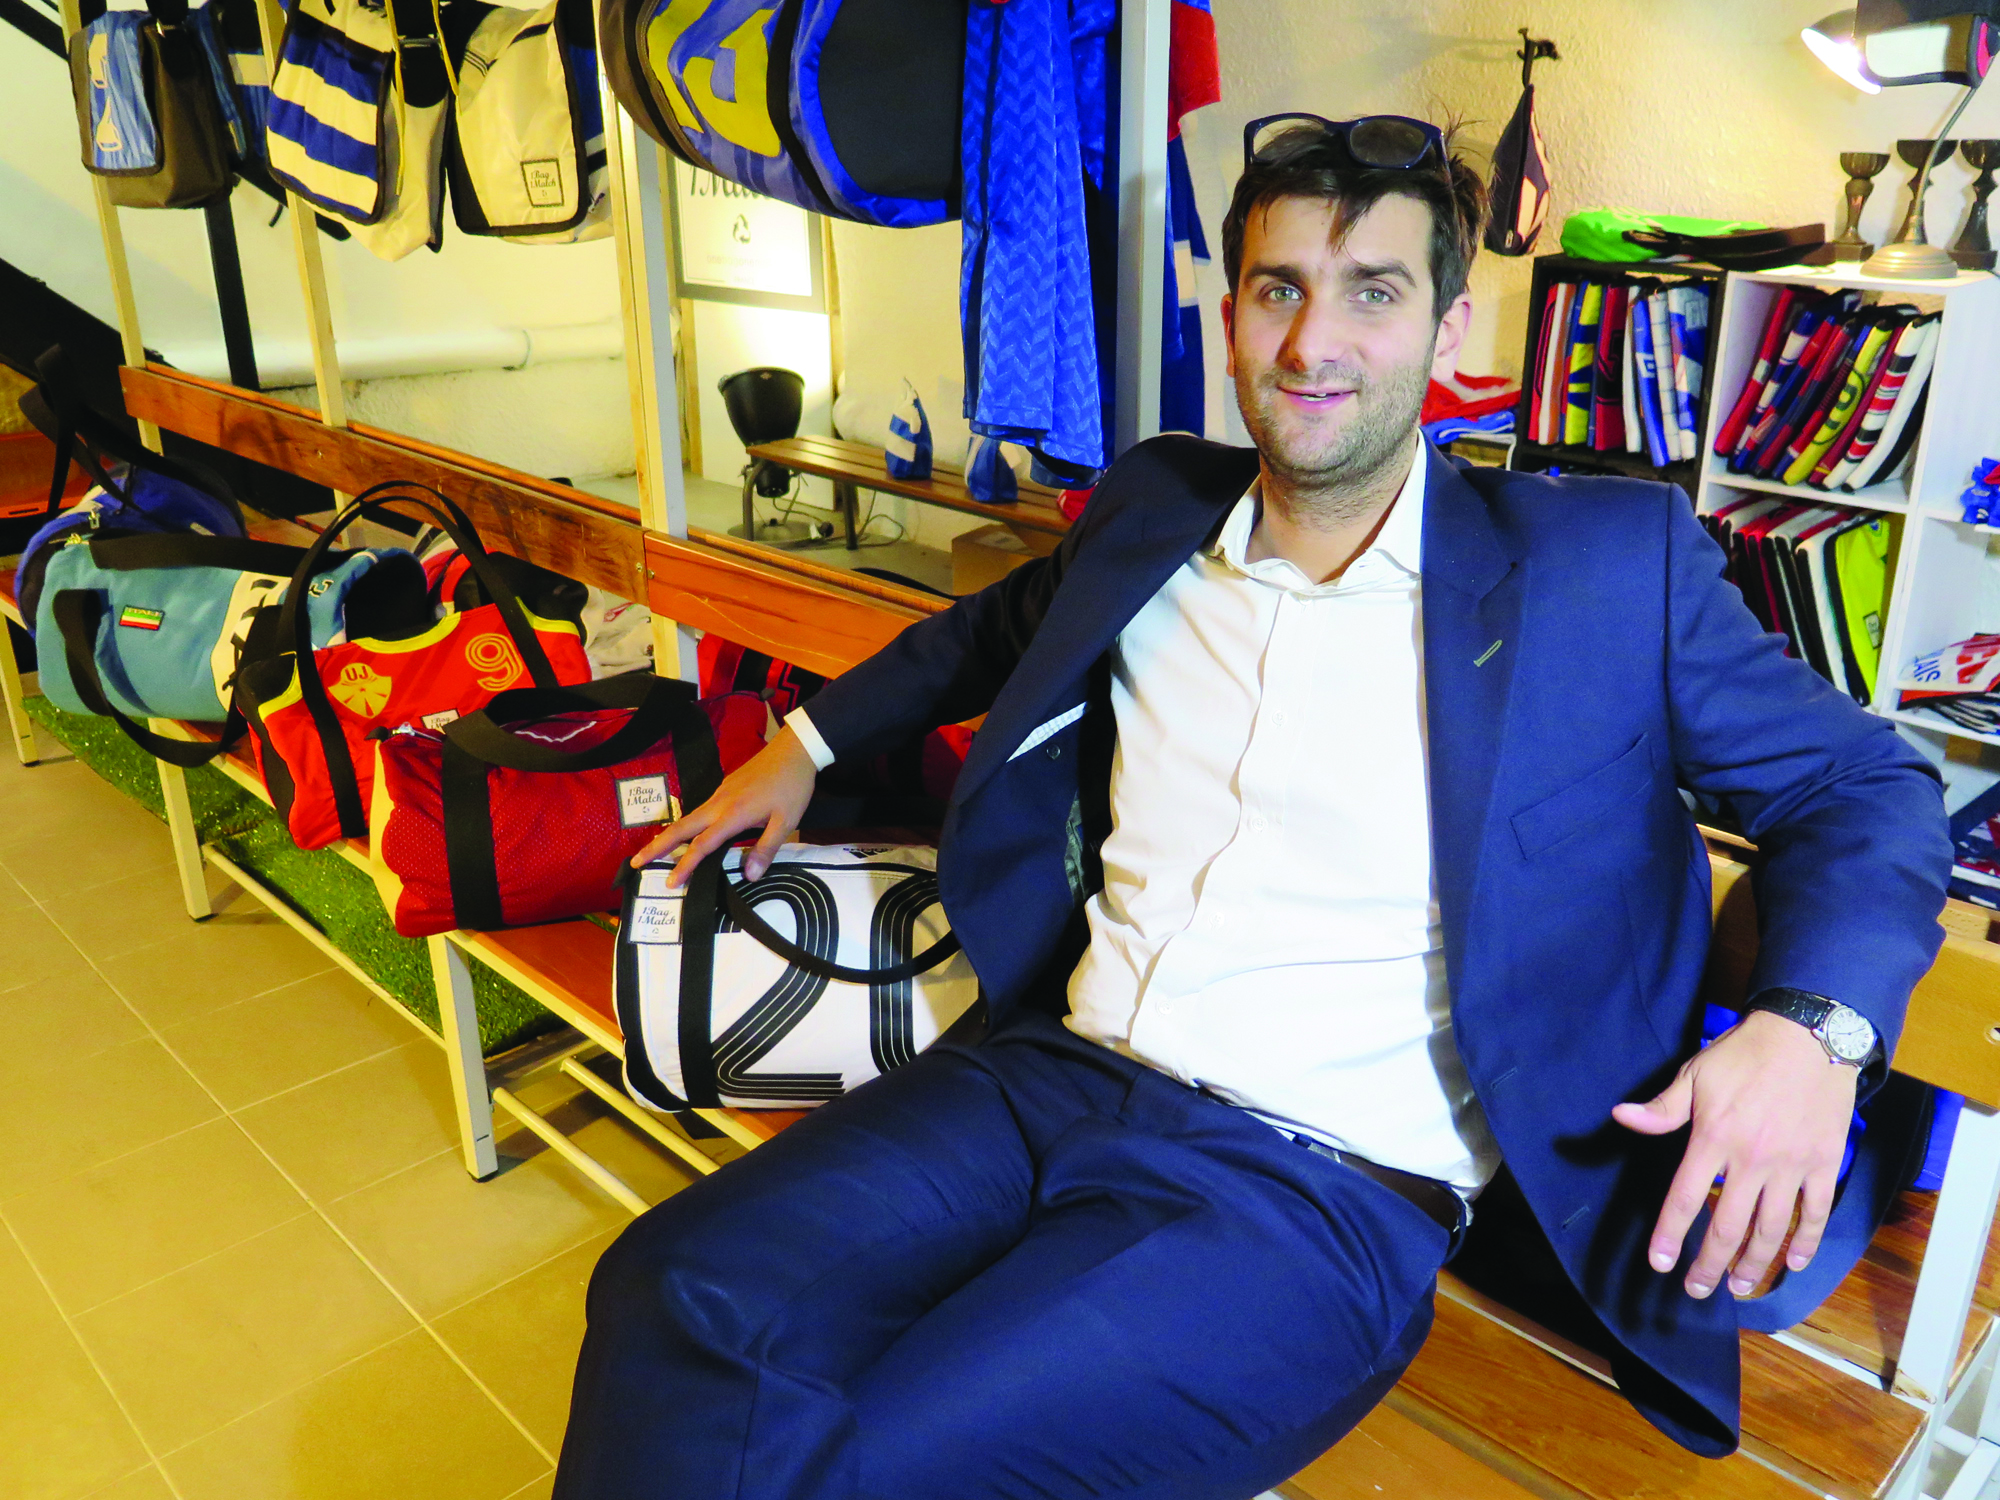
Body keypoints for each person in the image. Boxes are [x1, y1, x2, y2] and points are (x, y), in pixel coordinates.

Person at [553, 115, 1950, 1500]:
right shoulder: (1156, 508)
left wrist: (1813, 1034)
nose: (1313, 343)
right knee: (673, 1289)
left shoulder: (1602, 568)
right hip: (1042, 1077)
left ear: (1450, 329)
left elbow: (1865, 785)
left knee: (880, 1463)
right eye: (1280, 289)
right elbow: (989, 631)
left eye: (1374, 293)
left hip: (1310, 1193)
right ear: (1231, 319)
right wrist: (801, 743)